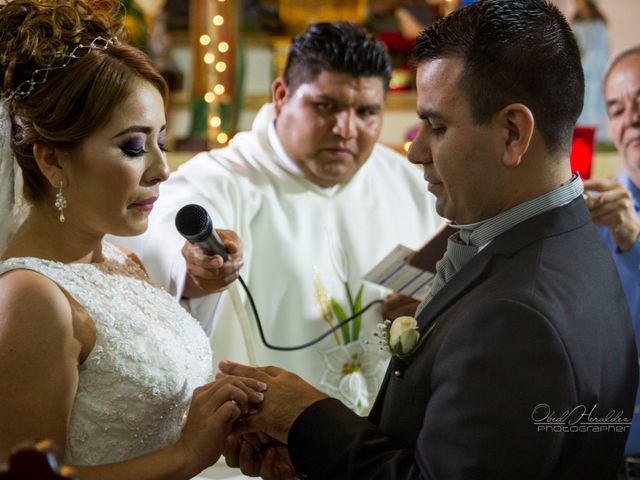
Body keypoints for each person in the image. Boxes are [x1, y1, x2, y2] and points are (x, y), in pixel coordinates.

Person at [217, 1, 638, 478]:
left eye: (437, 127)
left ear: (513, 133)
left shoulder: (514, 317)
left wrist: (306, 418)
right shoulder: (575, 243)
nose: (415, 150)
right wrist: (313, 454)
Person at [0, 1, 263, 478]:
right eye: (134, 147)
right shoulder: (30, 298)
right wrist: (185, 455)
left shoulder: (122, 261)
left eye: (161, 141)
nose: (162, 170)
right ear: (53, 161)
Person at [138, 21, 443, 413]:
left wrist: (431, 309)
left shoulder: (409, 182)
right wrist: (196, 266)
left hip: (380, 442)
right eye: (326, 106)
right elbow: (165, 236)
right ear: (281, 96)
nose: (345, 129)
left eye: (367, 112)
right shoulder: (220, 178)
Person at [584, 45, 640, 473]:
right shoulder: (593, 217)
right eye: (617, 109)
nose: (630, 119)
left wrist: (633, 240)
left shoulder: (622, 225)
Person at [571, 0, 610, 141]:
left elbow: (599, 55)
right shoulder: (575, 21)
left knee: (593, 115)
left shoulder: (599, 25)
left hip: (594, 80)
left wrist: (582, 58)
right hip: (578, 78)